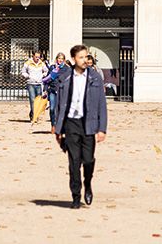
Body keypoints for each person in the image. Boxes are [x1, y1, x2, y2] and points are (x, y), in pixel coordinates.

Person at [52, 44, 108, 209]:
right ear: (74, 59)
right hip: (71, 124)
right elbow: (60, 104)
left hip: (88, 123)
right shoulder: (65, 77)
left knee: (88, 160)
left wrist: (102, 128)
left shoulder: (95, 77)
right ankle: (76, 196)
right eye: (81, 57)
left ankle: (88, 183)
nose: (85, 60)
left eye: (86, 57)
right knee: (74, 162)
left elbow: (101, 104)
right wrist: (57, 126)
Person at [21, 51, 48, 122]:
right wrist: (28, 76)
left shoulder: (41, 63)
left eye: (39, 57)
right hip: (31, 84)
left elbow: (46, 71)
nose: (37, 58)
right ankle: (34, 116)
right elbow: (23, 72)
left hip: (39, 84)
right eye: (36, 57)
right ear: (33, 56)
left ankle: (33, 114)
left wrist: (42, 75)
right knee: (32, 100)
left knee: (38, 101)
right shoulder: (28, 63)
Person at [42, 52, 67, 128]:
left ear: (64, 60)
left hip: (62, 91)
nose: (60, 60)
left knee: (60, 109)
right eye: (59, 58)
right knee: (52, 109)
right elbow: (47, 79)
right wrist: (45, 89)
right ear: (56, 59)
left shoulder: (66, 68)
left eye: (62, 58)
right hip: (52, 90)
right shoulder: (52, 67)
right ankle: (53, 124)